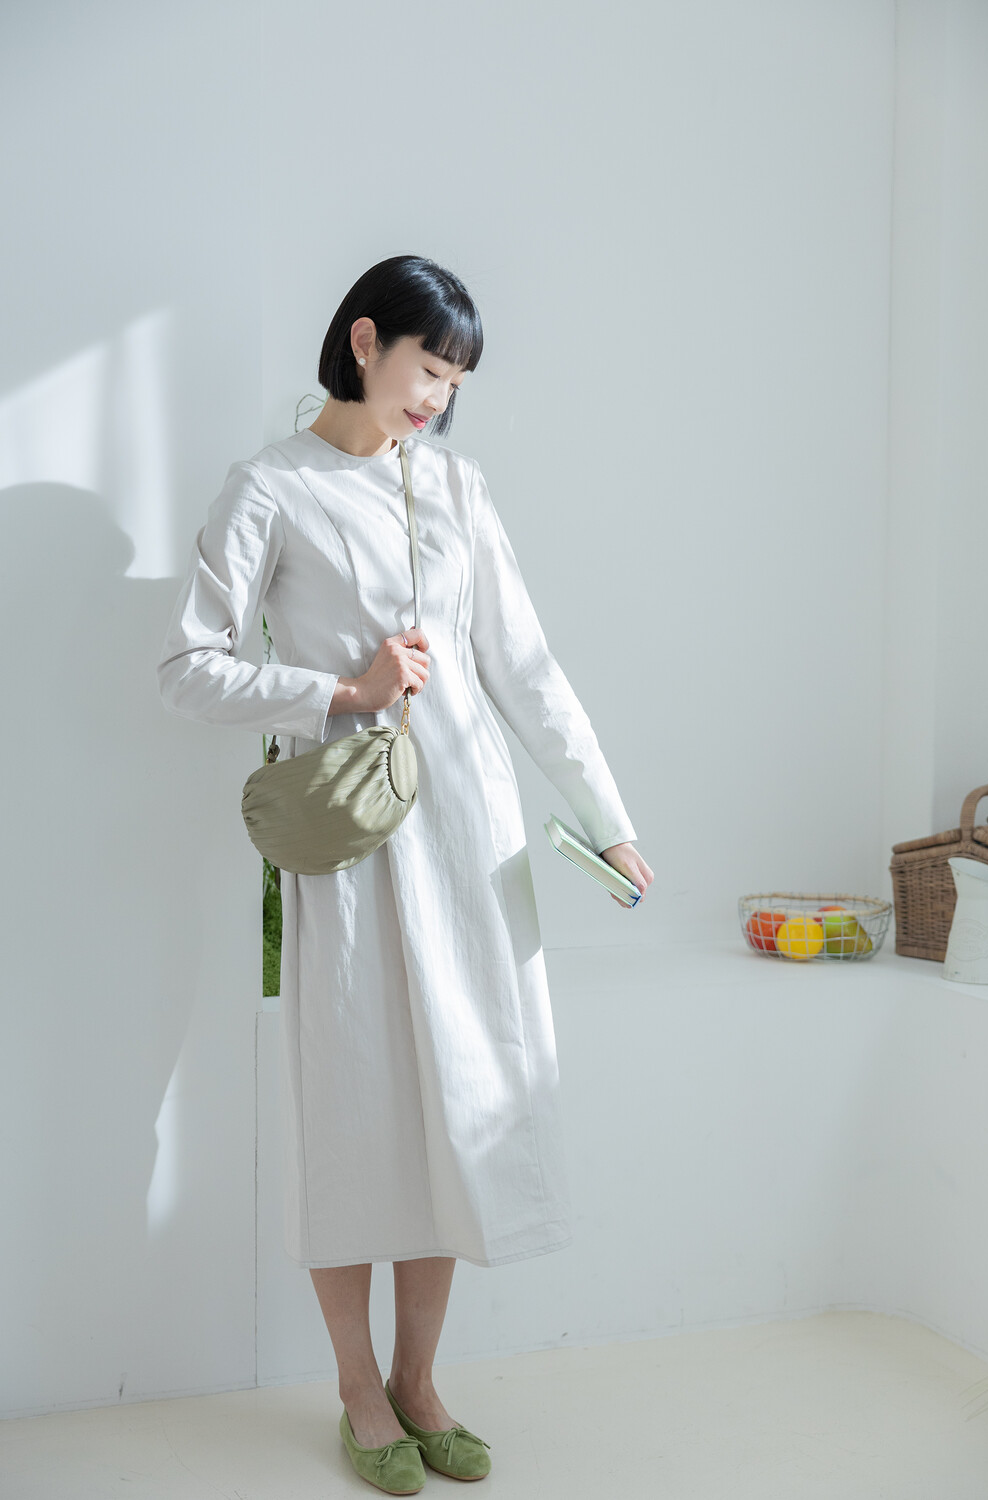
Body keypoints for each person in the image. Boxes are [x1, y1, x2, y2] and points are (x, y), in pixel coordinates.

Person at [156, 254, 653, 1493]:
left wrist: (606, 819)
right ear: (366, 340)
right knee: (355, 1111)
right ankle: (358, 1390)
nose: (438, 397)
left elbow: (523, 665)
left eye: (456, 381)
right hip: (352, 842)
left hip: (469, 832)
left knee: (457, 1105)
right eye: (430, 368)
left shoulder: (458, 486)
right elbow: (188, 667)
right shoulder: (271, 486)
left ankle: (423, 1380)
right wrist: (341, 688)